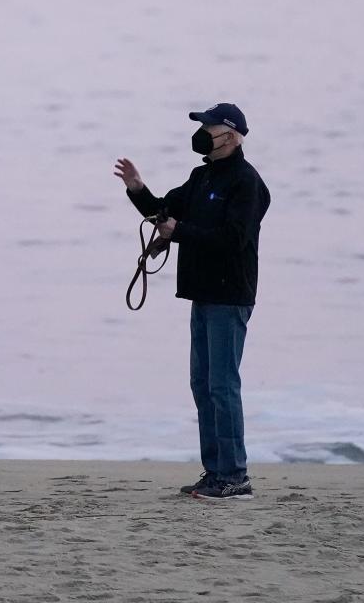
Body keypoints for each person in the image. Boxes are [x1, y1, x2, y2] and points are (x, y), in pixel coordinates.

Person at [114, 103, 270, 500]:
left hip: (230, 295)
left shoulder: (246, 183)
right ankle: (215, 471)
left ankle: (235, 476)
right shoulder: (202, 176)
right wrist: (137, 188)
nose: (202, 134)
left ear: (231, 136)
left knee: (223, 385)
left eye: (209, 128)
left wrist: (179, 231)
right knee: (202, 384)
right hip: (202, 293)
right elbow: (162, 210)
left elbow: (234, 239)